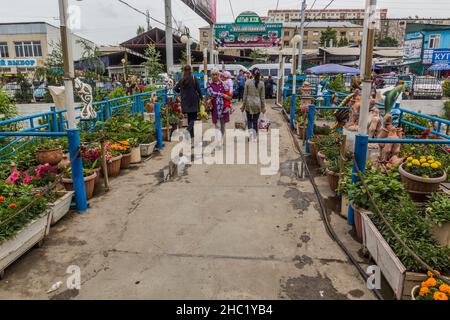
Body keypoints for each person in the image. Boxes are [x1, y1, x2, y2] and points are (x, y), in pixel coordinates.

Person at [174, 65, 203, 139]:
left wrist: (181, 91)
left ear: (184, 71)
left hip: (185, 102)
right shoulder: (194, 78)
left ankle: (191, 137)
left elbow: (175, 88)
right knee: (194, 119)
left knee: (189, 119)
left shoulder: (182, 80)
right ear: (191, 71)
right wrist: (201, 98)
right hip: (193, 101)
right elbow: (199, 89)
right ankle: (187, 131)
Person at [207, 68, 232, 146]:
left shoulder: (223, 83)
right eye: (213, 74)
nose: (215, 76)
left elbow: (228, 94)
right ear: (211, 75)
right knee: (217, 125)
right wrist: (221, 94)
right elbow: (211, 93)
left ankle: (222, 139)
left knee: (223, 125)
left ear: (218, 75)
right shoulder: (209, 83)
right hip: (215, 107)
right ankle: (219, 142)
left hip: (224, 107)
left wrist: (226, 96)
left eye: (216, 74)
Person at [241, 68, 266, 139]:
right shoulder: (261, 83)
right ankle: (255, 135)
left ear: (252, 74)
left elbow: (245, 95)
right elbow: (262, 97)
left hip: (249, 104)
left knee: (249, 120)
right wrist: (263, 106)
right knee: (255, 121)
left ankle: (250, 133)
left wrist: (243, 105)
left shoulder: (247, 82)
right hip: (257, 104)